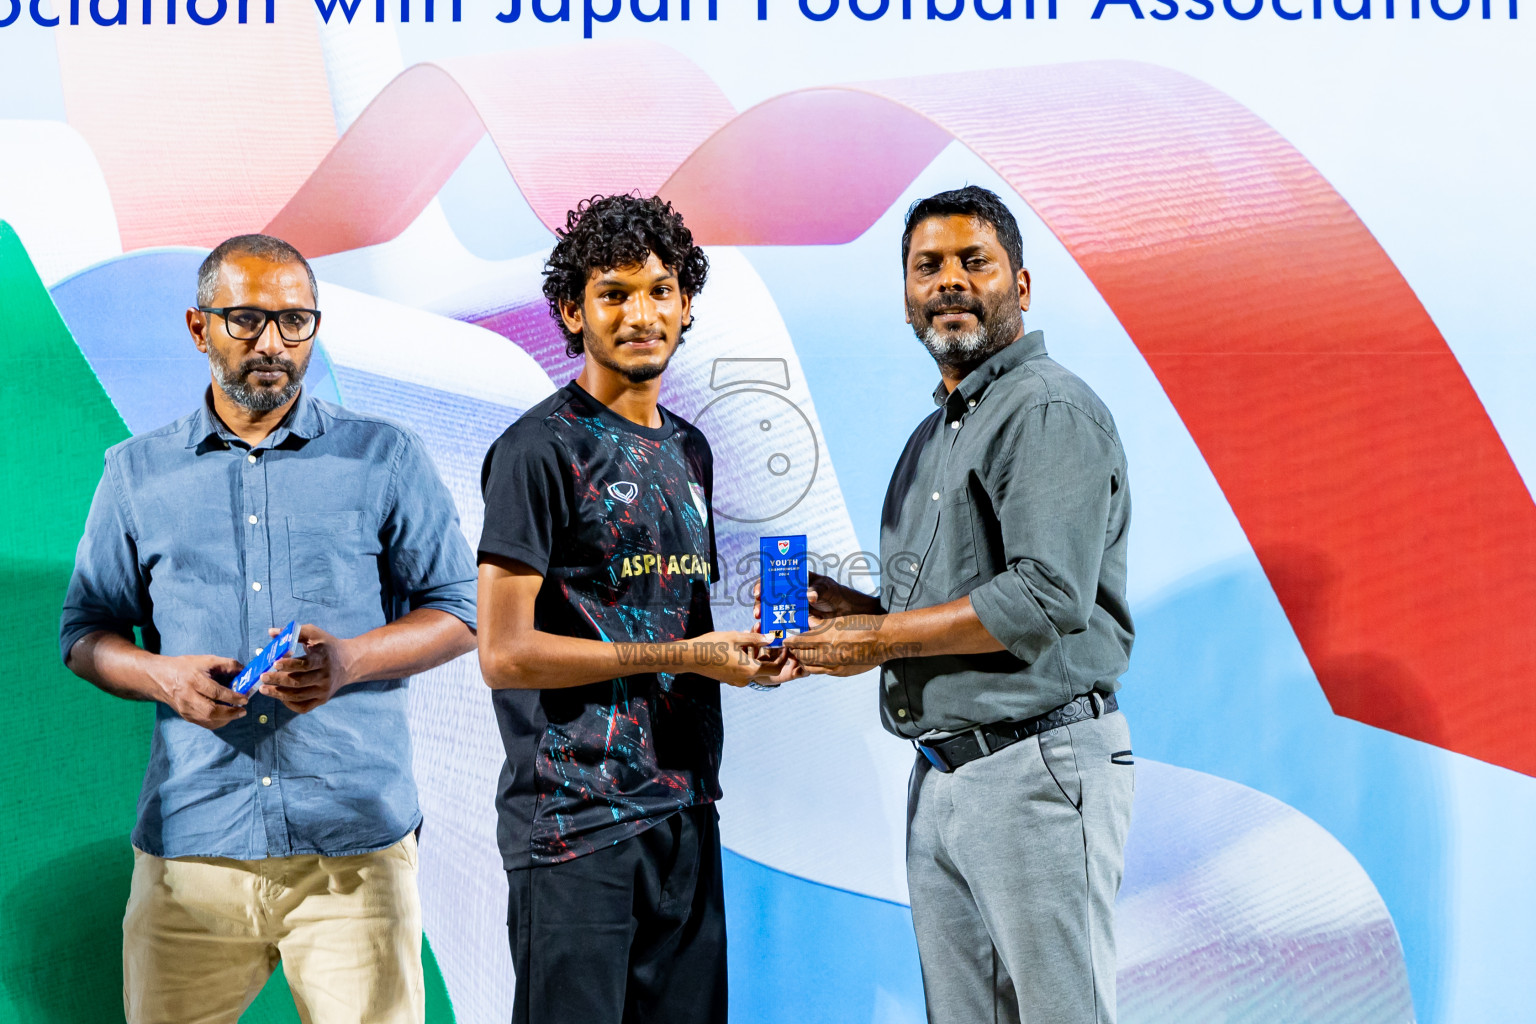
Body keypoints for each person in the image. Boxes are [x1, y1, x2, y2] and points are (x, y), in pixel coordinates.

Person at [60, 234, 479, 1024]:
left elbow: (460, 609)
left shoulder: (385, 456)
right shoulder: (134, 473)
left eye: (295, 322)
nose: (272, 345)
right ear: (198, 327)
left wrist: (351, 659)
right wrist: (163, 676)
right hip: (193, 852)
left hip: (353, 851)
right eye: (246, 320)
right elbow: (85, 632)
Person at [780, 186, 1136, 1024]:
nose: (949, 281)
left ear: (1021, 283)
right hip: (945, 777)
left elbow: (1043, 596)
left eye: (973, 261)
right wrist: (854, 612)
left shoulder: (1045, 409)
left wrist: (876, 639)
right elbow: (954, 605)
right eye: (926, 266)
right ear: (905, 297)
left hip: (1036, 765)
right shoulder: (935, 434)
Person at [477, 194, 783, 1024]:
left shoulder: (690, 449)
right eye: (614, 293)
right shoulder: (536, 451)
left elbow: (672, 624)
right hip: (574, 826)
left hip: (685, 813)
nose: (640, 313)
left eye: (659, 290)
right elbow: (504, 653)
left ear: (686, 304)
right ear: (572, 312)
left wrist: (748, 656)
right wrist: (685, 656)